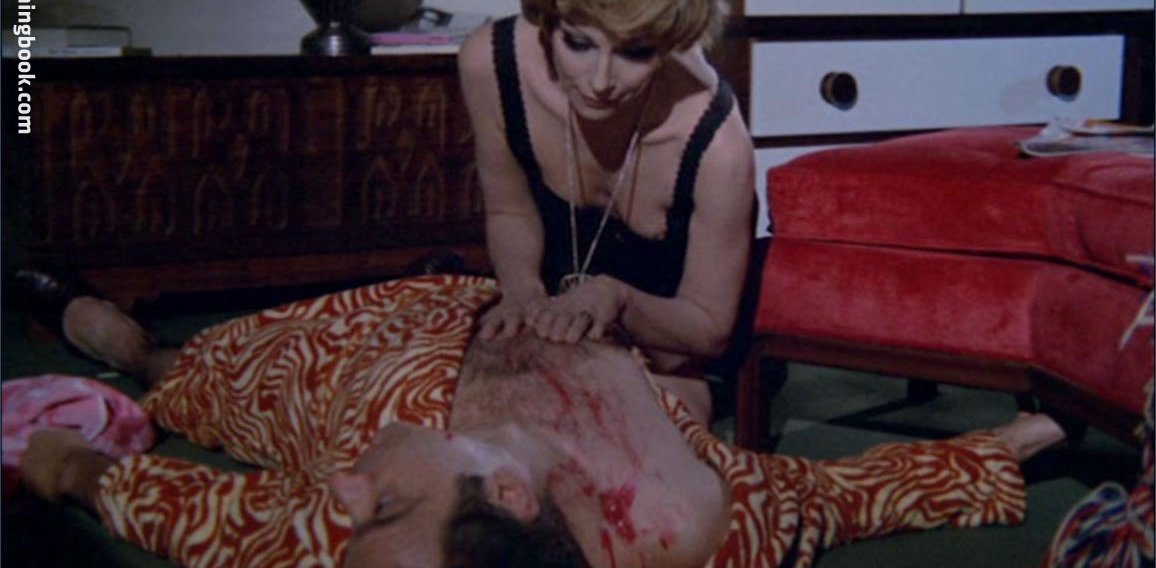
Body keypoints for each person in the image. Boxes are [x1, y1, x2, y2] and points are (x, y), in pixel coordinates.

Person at [16, 271, 1066, 568]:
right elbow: (832, 495)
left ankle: (135, 347)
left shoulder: (345, 519)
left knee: (194, 374)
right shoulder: (691, 520)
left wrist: (65, 468)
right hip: (473, 294)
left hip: (337, 368)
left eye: (356, 517)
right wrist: (1013, 440)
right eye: (383, 506)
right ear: (510, 493)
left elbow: (213, 520)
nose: (342, 496)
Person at [459, 0, 756, 423]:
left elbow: (709, 330)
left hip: (666, 362)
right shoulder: (491, 65)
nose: (600, 81)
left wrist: (617, 300)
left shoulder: (717, 146)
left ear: (672, 37)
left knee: (609, 439)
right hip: (543, 334)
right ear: (549, 17)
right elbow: (511, 210)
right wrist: (523, 290)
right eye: (578, 43)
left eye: (635, 52)